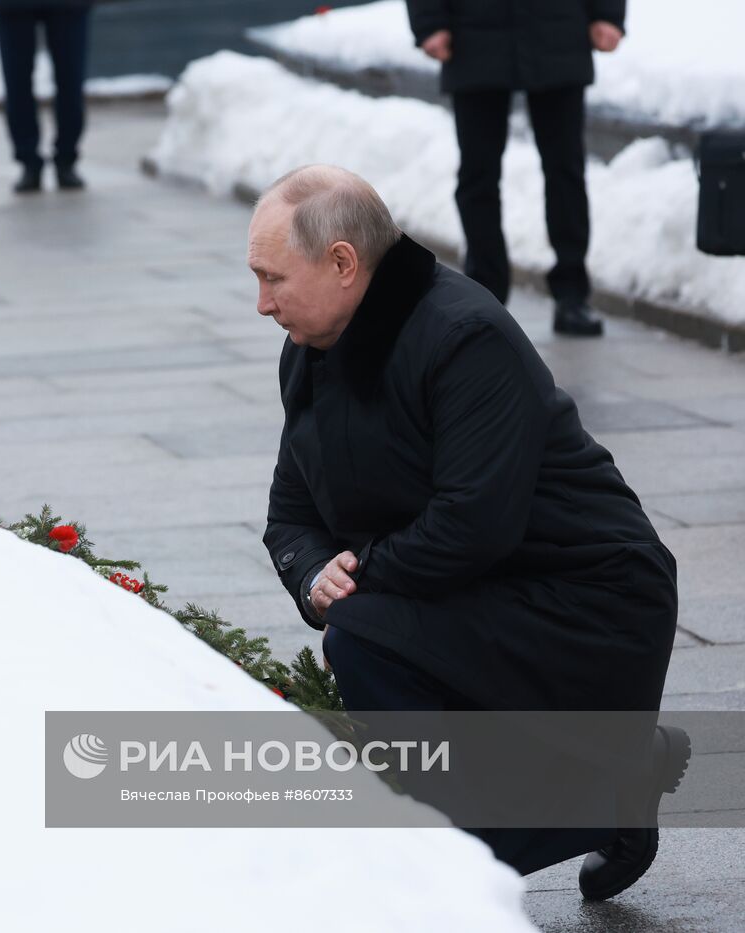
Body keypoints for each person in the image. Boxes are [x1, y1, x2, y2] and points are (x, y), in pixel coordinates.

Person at [255, 165, 687, 897]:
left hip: (584, 600)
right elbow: (290, 513)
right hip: (464, 591)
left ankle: (601, 790)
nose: (262, 304)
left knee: (365, 633)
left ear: (342, 263)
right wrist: (312, 571)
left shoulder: (464, 334)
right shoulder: (310, 350)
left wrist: (355, 578)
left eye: (273, 278)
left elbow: (472, 524)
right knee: (365, 627)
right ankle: (453, 838)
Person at [406, 0, 627, 336]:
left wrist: (607, 14)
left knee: (565, 171)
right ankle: (485, 297)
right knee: (478, 176)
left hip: (558, 28)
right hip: (473, 33)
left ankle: (572, 295)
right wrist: (429, 21)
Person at [0, 0, 93, 193]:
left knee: (71, 78)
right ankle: (28, 160)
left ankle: (66, 157)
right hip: (14, 8)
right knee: (17, 81)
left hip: (68, 7)